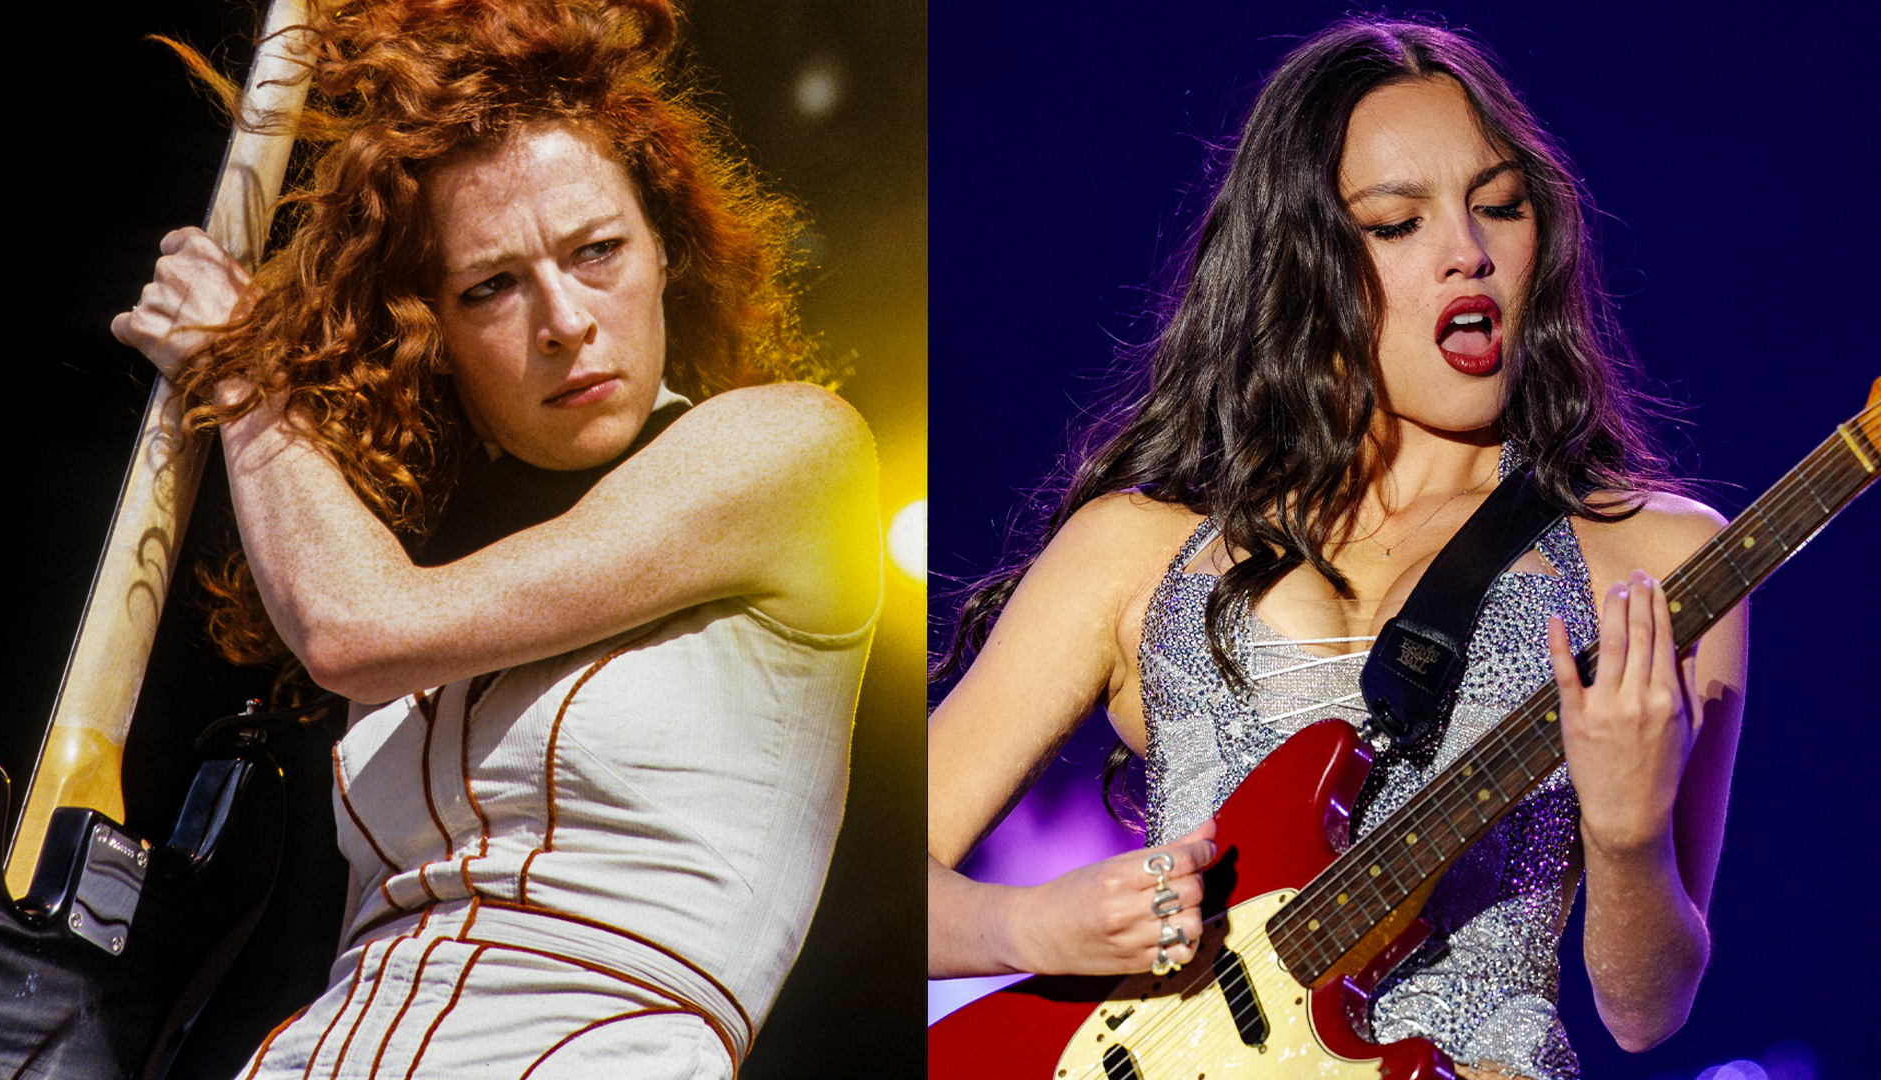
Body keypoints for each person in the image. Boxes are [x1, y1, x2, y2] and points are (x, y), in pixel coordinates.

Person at [927, 16, 1743, 1080]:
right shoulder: (1136, 549)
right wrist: (1031, 930)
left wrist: (1631, 838)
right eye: (1399, 223)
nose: (1471, 250)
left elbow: (1648, 1010)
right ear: (1304, 264)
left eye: (1500, 205)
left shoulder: (1655, 557)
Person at [111, 0, 881, 1075]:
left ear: (665, 246)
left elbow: (353, 629)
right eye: (491, 286)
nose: (563, 319)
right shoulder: (408, 544)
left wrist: (239, 380)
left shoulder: (792, 451)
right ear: (431, 323)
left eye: (597, 250)